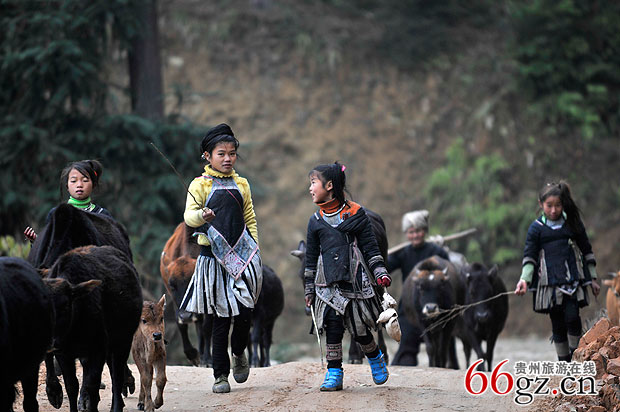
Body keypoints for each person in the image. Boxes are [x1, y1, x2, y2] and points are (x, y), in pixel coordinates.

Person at [179, 123, 262, 394]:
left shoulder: (242, 184)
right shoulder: (199, 184)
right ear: (208, 156)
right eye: (221, 154)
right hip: (213, 259)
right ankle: (220, 375)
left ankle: (238, 352)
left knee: (245, 312)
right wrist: (201, 215)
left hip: (243, 258)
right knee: (220, 319)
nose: (227, 159)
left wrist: (255, 249)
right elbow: (189, 217)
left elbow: (249, 218)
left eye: (232, 154)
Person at [304, 162, 391, 392]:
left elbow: (370, 247)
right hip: (327, 283)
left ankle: (375, 357)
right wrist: (309, 288)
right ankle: (334, 373)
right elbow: (311, 258)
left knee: (359, 329)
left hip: (355, 280)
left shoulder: (356, 214)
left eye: (313, 183)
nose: (310, 188)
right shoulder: (315, 221)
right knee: (332, 327)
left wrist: (380, 272)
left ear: (329, 186)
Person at [515, 181, 600, 361]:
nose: (553, 210)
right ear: (541, 204)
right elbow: (529, 256)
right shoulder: (536, 228)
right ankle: (564, 363)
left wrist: (592, 278)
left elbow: (586, 249)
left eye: (558, 205)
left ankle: (576, 357)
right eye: (549, 206)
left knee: (573, 318)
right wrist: (524, 280)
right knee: (558, 325)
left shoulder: (572, 223)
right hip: (549, 286)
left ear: (563, 204)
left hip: (572, 282)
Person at [387, 210, 450, 366]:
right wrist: (378, 258)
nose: (415, 235)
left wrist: (443, 249)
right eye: (411, 232)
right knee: (406, 349)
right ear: (406, 234)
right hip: (410, 309)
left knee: (441, 347)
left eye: (419, 231)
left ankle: (442, 368)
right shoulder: (402, 252)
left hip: (435, 307)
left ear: (425, 231)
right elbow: (385, 268)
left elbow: (448, 273)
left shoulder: (437, 252)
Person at [23, 159, 112, 242]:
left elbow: (111, 246)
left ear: (93, 185)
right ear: (67, 187)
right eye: (73, 181)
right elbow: (49, 246)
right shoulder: (57, 215)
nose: (79, 185)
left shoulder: (102, 215)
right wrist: (36, 241)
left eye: (85, 180)